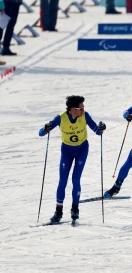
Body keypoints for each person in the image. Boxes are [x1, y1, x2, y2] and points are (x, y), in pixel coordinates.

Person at [38, 95, 107, 223]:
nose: (83, 110)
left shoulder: (85, 116)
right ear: (72, 109)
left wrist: (102, 127)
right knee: (63, 180)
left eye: (83, 107)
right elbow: (41, 133)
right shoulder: (60, 118)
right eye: (80, 108)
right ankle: (58, 212)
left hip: (82, 150)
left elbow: (97, 131)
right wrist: (45, 128)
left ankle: (75, 208)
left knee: (76, 179)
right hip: (67, 151)